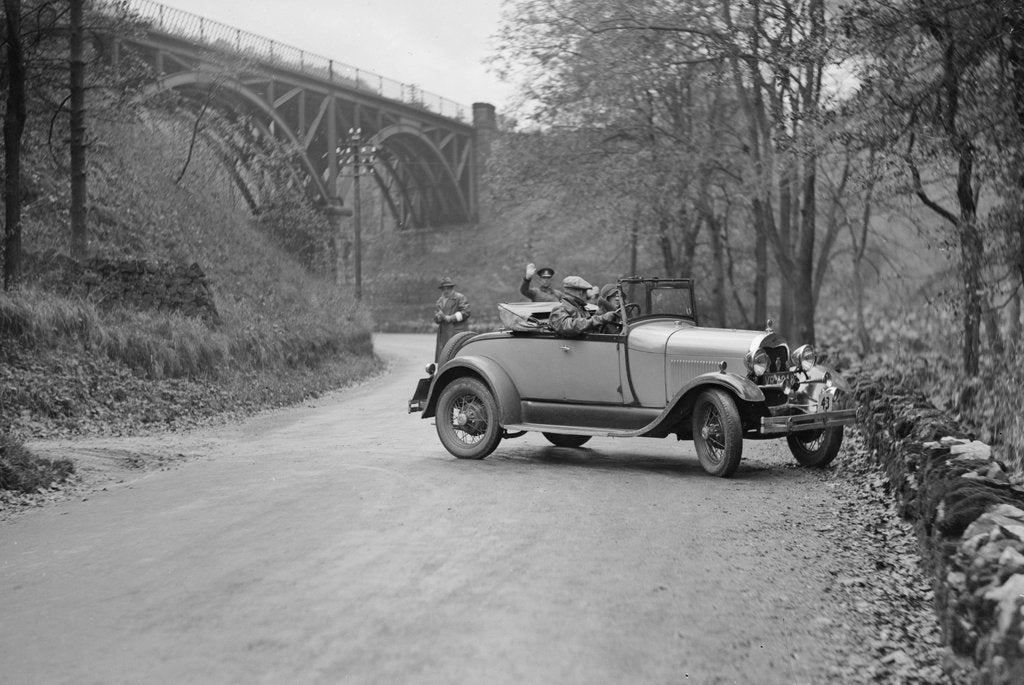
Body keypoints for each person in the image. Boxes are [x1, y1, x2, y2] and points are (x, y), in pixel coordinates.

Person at [548, 276, 618, 337]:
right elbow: (569, 327)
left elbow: (590, 329)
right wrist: (600, 319)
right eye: (584, 292)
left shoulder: (581, 309)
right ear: (580, 293)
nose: (586, 295)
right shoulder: (559, 310)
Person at [434, 276, 471, 362]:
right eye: (444, 289)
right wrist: (438, 318)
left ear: (452, 288)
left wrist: (451, 318)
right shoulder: (439, 301)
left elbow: (466, 311)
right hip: (443, 334)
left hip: (456, 332)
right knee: (444, 357)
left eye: (448, 288)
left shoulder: (460, 298)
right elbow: (435, 317)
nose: (446, 291)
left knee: (456, 356)